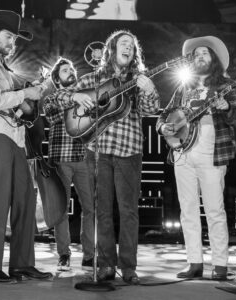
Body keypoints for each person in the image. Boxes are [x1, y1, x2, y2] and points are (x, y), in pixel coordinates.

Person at [55, 30, 160, 284]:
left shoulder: (138, 80)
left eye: (132, 47)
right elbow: (56, 99)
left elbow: (151, 110)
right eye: (124, 44)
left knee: (128, 212)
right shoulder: (93, 79)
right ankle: (106, 266)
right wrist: (75, 96)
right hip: (98, 152)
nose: (129, 49)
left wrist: (150, 89)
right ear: (112, 49)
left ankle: (129, 267)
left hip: (129, 151)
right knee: (102, 212)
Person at [0, 10, 52, 283]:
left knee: (26, 197)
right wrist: (26, 94)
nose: (12, 43)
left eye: (14, 38)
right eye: (8, 36)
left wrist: (31, 97)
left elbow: (18, 107)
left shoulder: (2, 66)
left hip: (14, 137)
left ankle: (22, 264)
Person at [156, 36, 236, 280]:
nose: (200, 57)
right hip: (183, 152)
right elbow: (164, 116)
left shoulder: (227, 85)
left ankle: (220, 265)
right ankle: (194, 262)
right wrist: (163, 128)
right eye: (196, 54)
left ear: (213, 58)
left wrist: (226, 107)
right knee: (188, 210)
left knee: (214, 210)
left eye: (205, 53)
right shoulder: (184, 86)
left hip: (212, 152)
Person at [42, 58, 95, 271]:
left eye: (72, 68)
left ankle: (90, 255)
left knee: (90, 208)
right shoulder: (51, 98)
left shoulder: (87, 97)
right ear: (57, 78)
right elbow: (55, 114)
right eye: (65, 70)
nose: (70, 71)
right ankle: (64, 254)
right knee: (60, 209)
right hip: (61, 158)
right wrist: (77, 98)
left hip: (84, 157)